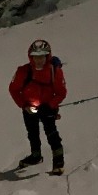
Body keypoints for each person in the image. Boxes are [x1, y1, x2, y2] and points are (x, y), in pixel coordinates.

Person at [8, 39, 67, 174]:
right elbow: (14, 89)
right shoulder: (23, 71)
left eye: (42, 56)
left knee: (51, 133)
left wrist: (50, 105)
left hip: (48, 108)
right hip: (29, 108)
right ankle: (35, 156)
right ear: (31, 57)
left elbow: (61, 92)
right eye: (35, 56)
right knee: (32, 133)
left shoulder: (55, 72)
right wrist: (24, 105)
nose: (38, 60)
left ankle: (58, 162)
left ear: (48, 56)